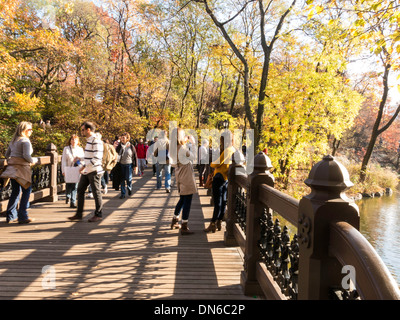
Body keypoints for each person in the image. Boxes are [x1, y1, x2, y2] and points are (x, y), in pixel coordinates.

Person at [0, 122, 38, 224]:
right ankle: (22, 216)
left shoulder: (13, 141)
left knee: (15, 192)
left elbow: (7, 154)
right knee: (27, 191)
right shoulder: (25, 141)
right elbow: (26, 156)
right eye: (30, 129)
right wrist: (33, 160)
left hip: (12, 170)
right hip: (22, 170)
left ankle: (11, 216)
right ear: (24, 130)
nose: (31, 131)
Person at [68, 121, 104, 222]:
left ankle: (98, 214)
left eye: (83, 130)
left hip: (94, 170)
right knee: (80, 190)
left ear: (88, 130)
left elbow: (97, 157)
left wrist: (84, 166)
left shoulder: (96, 141)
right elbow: (90, 156)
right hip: (88, 170)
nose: (81, 132)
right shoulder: (89, 140)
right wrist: (81, 158)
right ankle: (79, 214)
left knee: (96, 192)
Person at [204, 131, 235, 233]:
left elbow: (217, 163)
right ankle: (219, 221)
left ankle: (213, 223)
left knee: (218, 202)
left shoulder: (227, 150)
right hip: (226, 178)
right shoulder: (233, 149)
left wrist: (212, 163)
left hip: (219, 177)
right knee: (223, 201)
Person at [170, 128, 197, 235]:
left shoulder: (173, 148)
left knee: (182, 199)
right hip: (186, 174)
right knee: (187, 200)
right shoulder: (181, 148)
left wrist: (185, 142)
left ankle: (175, 220)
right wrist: (193, 144)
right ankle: (184, 226)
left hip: (179, 173)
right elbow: (193, 157)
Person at [61, 134, 85, 208]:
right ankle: (68, 196)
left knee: (75, 186)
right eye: (72, 139)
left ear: (78, 141)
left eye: (75, 139)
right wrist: (63, 170)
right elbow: (64, 160)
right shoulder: (66, 149)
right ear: (70, 141)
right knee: (68, 185)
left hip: (76, 169)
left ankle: (73, 201)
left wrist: (82, 168)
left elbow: (83, 160)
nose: (74, 141)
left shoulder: (80, 149)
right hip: (68, 168)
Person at [115, 132, 137, 199]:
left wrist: (135, 166)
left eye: (124, 137)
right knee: (122, 180)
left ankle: (129, 188)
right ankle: (123, 193)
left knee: (128, 178)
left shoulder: (131, 146)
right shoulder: (119, 147)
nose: (122, 139)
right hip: (121, 165)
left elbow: (135, 157)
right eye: (121, 138)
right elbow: (115, 155)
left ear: (127, 138)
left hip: (129, 165)